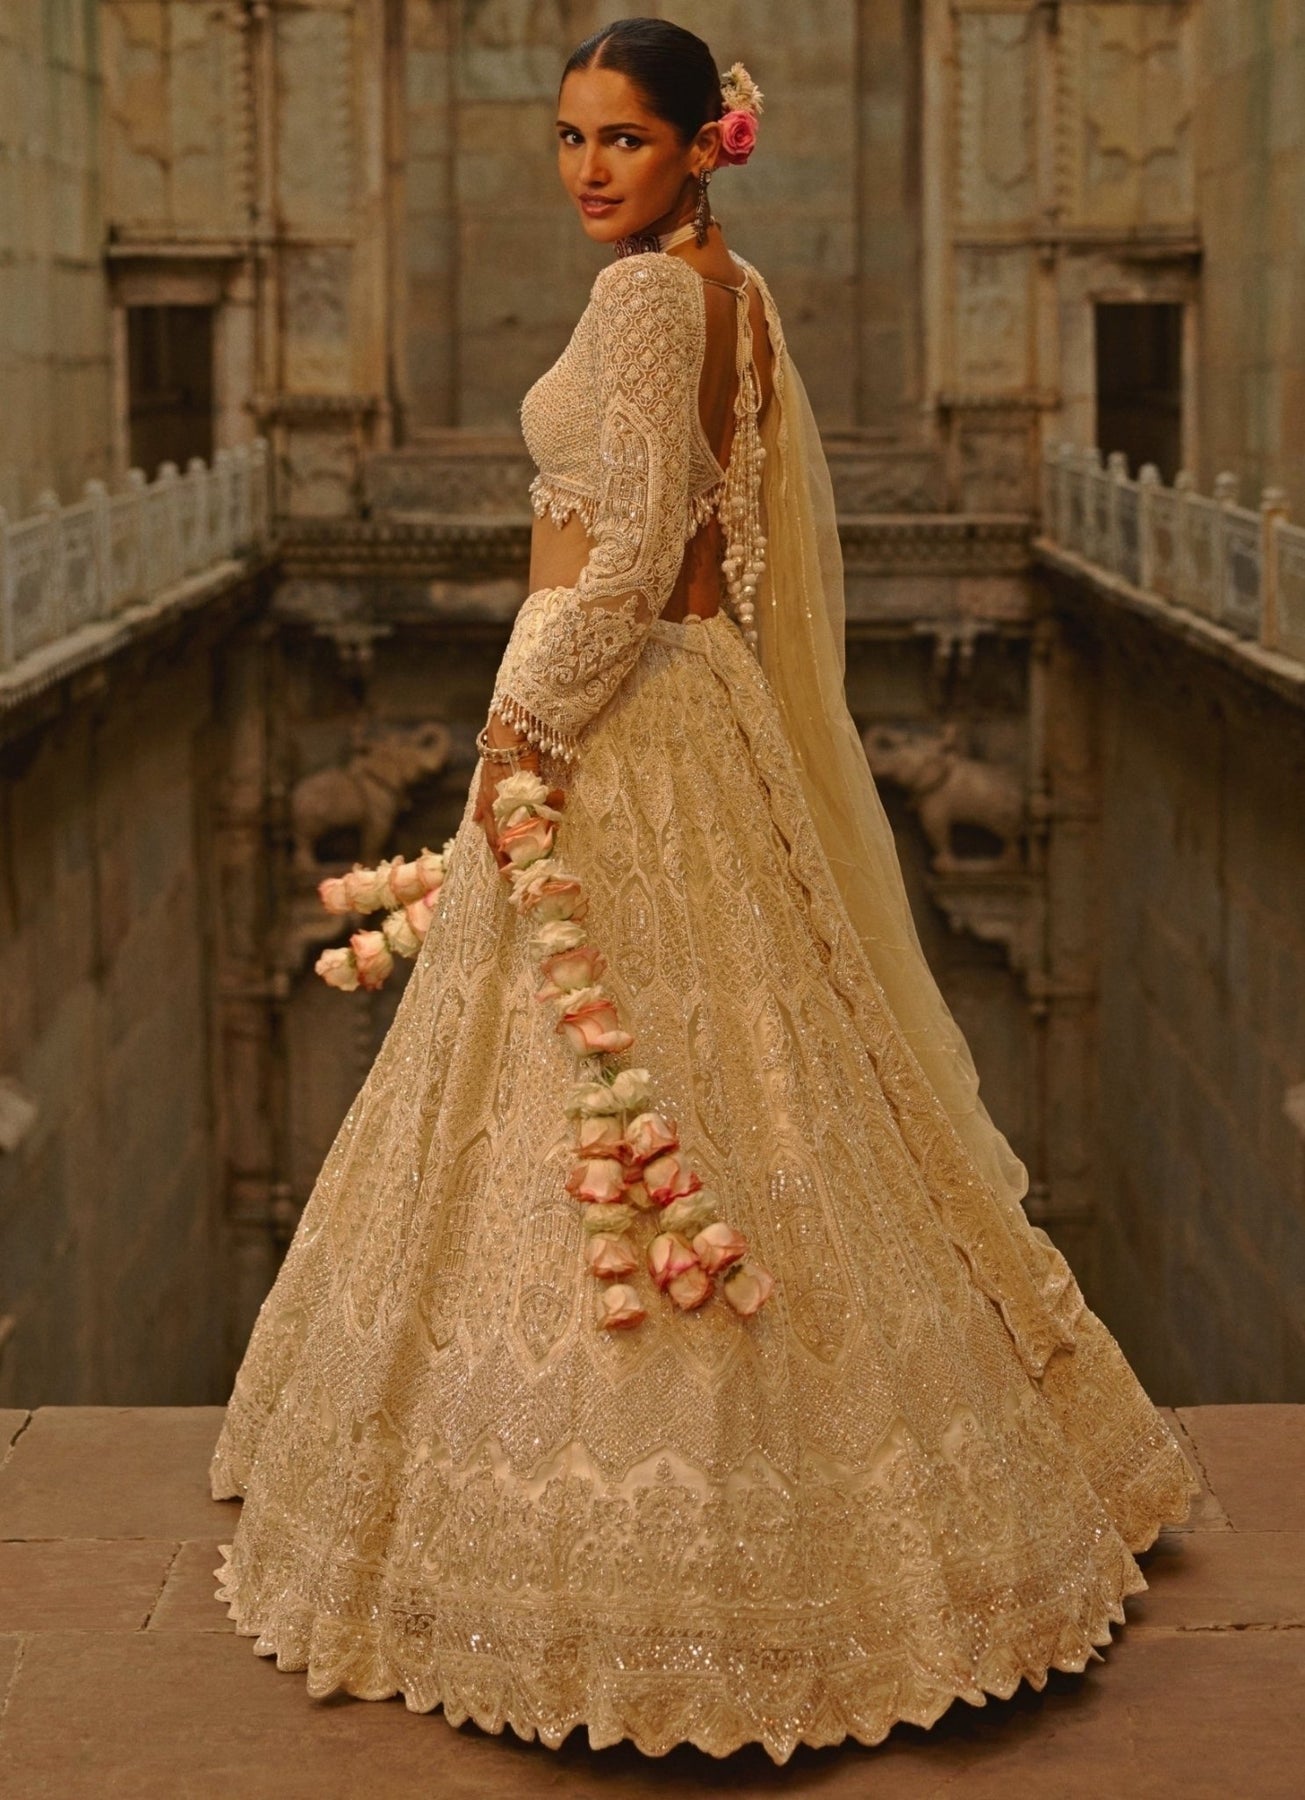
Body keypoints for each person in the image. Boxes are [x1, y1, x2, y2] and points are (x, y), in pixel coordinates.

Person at [210, 16, 1195, 1765]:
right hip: (692, 715)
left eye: (623, 137)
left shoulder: (647, 302)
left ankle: (646, 1561)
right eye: (569, 135)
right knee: (762, 1090)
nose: (589, 167)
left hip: (614, 724)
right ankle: (884, 1510)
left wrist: (517, 732)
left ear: (693, 145)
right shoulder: (733, 292)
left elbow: (637, 541)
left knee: (601, 1085)